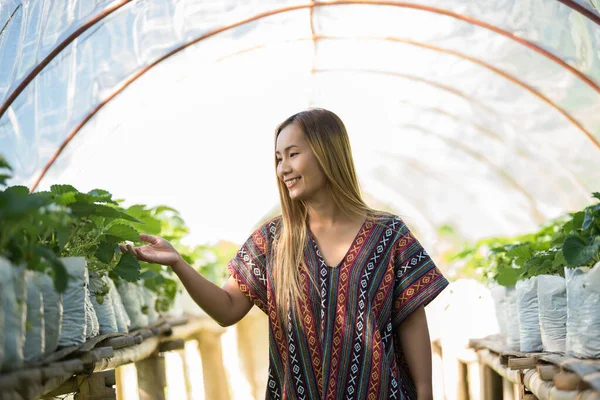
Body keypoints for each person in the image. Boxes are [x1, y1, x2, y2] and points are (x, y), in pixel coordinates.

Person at [120, 108, 449, 399]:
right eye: (278, 158)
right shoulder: (271, 241)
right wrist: (178, 263)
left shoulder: (389, 234)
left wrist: (425, 393)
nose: (283, 169)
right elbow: (228, 309)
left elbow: (410, 319)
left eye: (293, 154)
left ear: (327, 153)